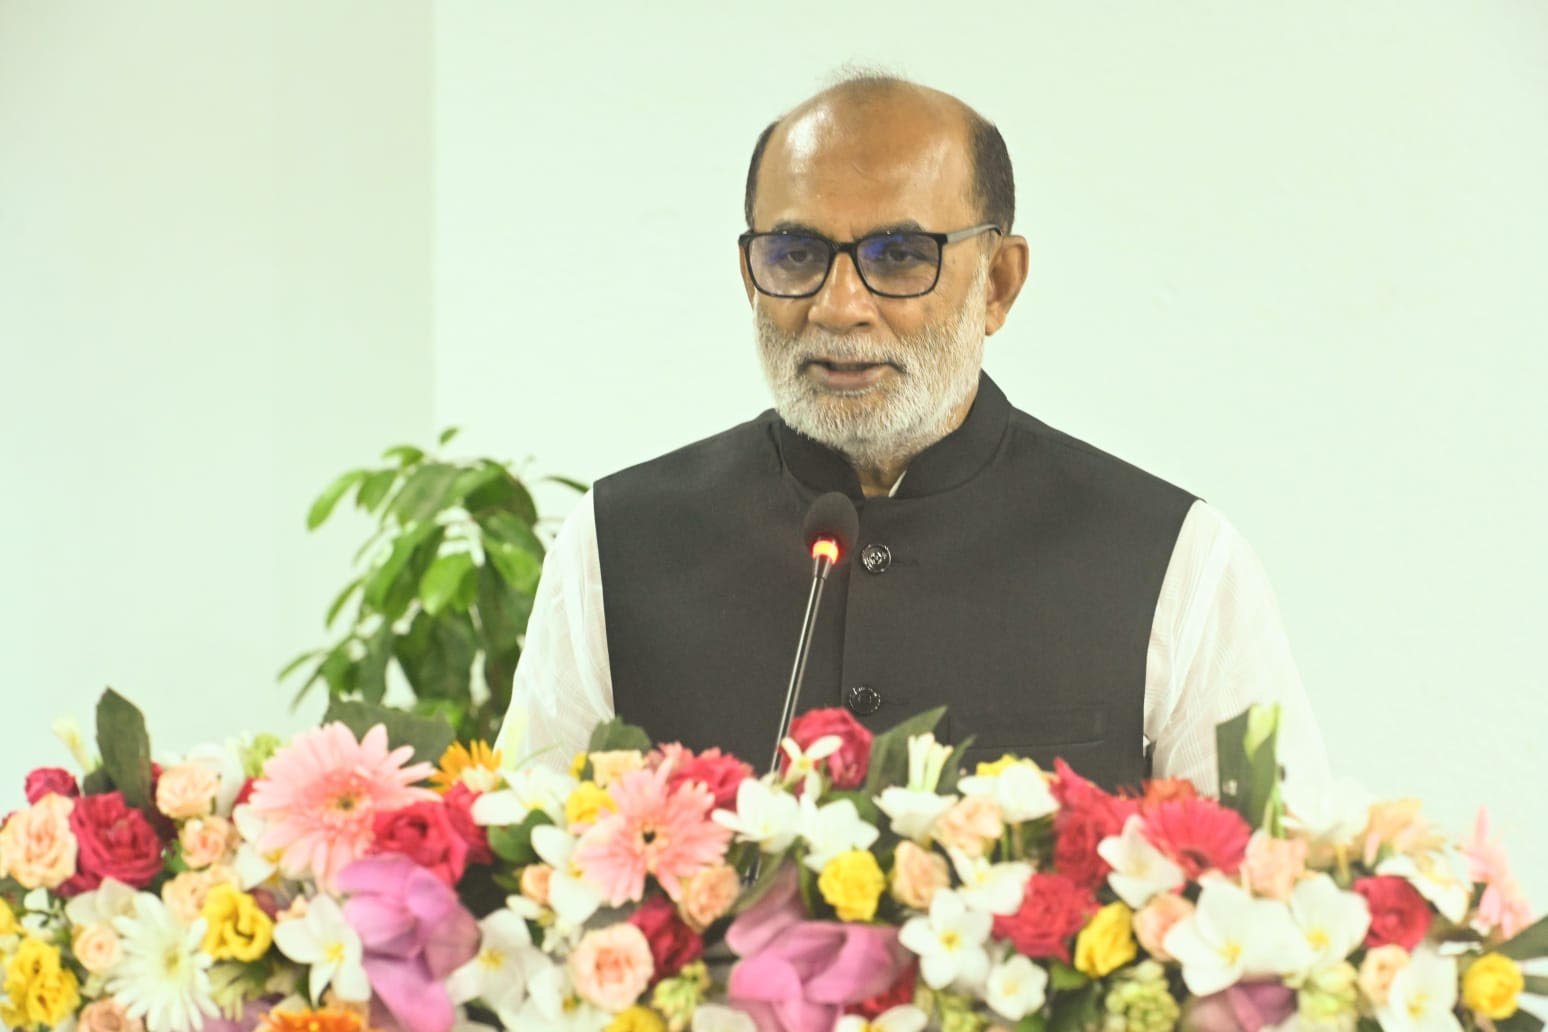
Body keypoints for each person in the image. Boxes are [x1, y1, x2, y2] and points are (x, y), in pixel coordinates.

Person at [494, 73, 1331, 795]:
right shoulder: (616, 544)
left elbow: (1274, 895)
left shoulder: (1174, 558)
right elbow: (525, 873)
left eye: (898, 255)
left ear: (998, 283)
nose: (839, 306)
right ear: (749, 276)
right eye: (794, 254)